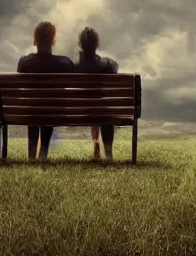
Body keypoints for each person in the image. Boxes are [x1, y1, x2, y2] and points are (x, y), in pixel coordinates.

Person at [16, 21, 74, 159]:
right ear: (53, 41)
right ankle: (43, 154)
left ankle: (31, 155)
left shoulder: (24, 63)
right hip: (54, 111)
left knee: (34, 107)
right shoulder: (64, 63)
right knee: (48, 108)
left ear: (35, 41)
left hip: (31, 111)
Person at [73, 26, 119, 160]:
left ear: (80, 45)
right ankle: (108, 154)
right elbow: (114, 66)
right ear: (96, 44)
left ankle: (95, 142)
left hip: (78, 111)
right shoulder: (106, 65)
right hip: (101, 110)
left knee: (96, 107)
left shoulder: (74, 67)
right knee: (104, 112)